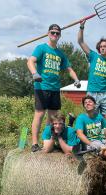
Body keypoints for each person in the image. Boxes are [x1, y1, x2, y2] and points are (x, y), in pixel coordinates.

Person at [27, 24, 81, 152]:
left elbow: (69, 69)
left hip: (55, 89)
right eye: (53, 32)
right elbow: (30, 61)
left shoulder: (60, 54)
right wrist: (35, 73)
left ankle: (48, 142)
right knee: (39, 114)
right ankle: (34, 144)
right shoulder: (41, 48)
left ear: (60, 35)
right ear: (48, 33)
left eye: (57, 33)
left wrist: (76, 79)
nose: (55, 35)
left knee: (52, 118)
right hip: (42, 86)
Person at [78, 20, 106, 127]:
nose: (102, 48)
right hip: (92, 93)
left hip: (105, 94)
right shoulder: (93, 56)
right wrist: (81, 27)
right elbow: (81, 42)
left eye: (105, 46)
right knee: (91, 121)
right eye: (101, 46)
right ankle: (89, 143)